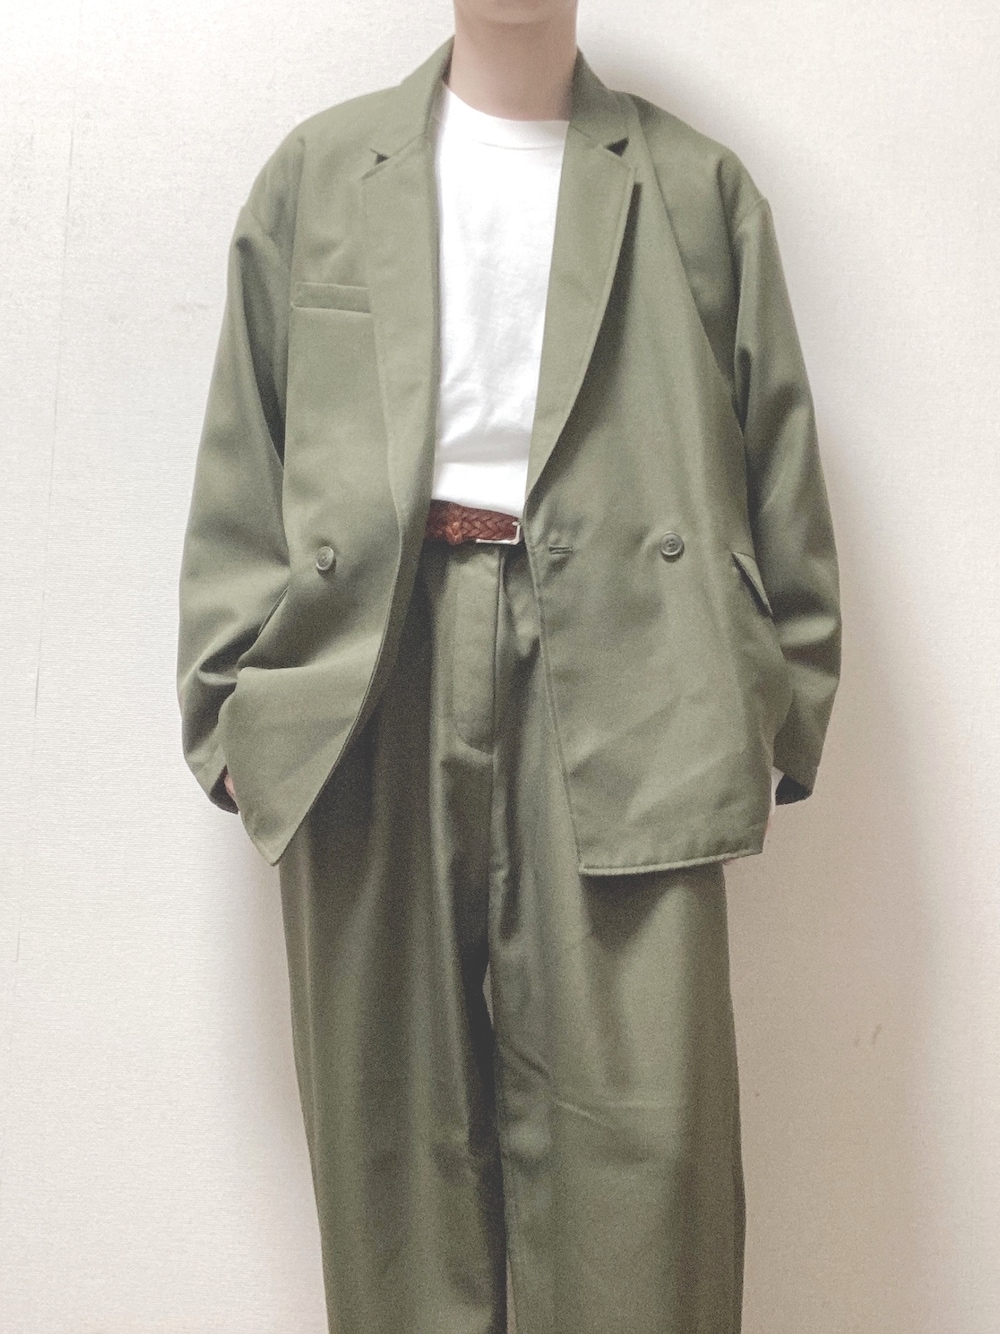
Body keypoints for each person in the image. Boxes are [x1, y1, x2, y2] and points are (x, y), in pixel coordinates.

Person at [176, 2, 841, 1330]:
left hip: (639, 667)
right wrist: (231, 701)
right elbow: (248, 441)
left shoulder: (697, 189)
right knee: (389, 1146)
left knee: (648, 1151)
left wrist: (779, 702)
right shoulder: (319, 174)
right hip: (366, 669)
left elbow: (781, 459)